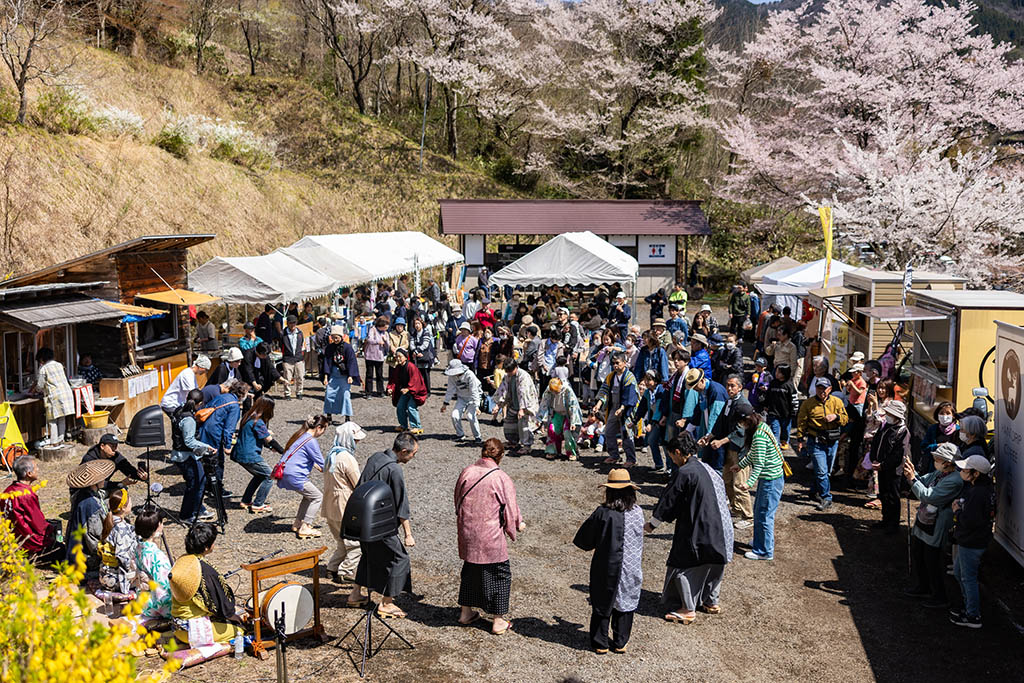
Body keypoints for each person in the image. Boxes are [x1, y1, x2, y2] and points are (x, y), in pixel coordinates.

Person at [645, 433, 730, 624]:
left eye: (672, 456)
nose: (673, 461)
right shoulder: (707, 468)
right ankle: (710, 601)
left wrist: (652, 524)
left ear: (678, 452)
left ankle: (688, 608)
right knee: (715, 563)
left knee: (684, 564)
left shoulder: (684, 472)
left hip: (699, 527)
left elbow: (670, 500)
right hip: (722, 526)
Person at [455, 438, 525, 635]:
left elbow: (457, 500)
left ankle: (466, 612)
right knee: (500, 574)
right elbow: (510, 509)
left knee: (470, 570)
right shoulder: (501, 477)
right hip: (490, 534)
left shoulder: (467, 471)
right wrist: (514, 527)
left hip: (468, 529)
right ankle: (498, 620)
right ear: (500, 455)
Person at [348, 432, 419, 619]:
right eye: (413, 454)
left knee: (370, 555)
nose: (413, 457)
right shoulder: (395, 470)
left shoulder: (376, 457)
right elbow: (401, 503)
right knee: (400, 558)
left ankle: (355, 594)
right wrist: (408, 534)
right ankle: (387, 603)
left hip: (361, 520)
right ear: (403, 451)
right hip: (379, 523)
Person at [573, 468, 643, 654]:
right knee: (625, 602)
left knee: (603, 601)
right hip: (632, 565)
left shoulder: (603, 512)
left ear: (609, 491)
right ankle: (620, 641)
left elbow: (584, 540)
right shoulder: (638, 512)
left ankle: (600, 642)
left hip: (607, 566)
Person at [903, 442, 964, 609]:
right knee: (918, 553)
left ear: (947, 462)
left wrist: (912, 479)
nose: (935, 461)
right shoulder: (940, 473)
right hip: (925, 518)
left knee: (932, 560)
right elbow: (922, 480)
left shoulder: (955, 480)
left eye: (938, 459)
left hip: (937, 523)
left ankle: (939, 595)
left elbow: (928, 495)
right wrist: (912, 473)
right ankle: (922, 586)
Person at [170, 523, 243, 645]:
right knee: (240, 630)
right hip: (192, 631)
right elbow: (221, 604)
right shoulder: (205, 570)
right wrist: (233, 616)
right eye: (213, 542)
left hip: (176, 627)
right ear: (206, 547)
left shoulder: (182, 560)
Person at [950, 454, 996, 629]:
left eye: (965, 469)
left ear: (975, 473)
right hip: (976, 539)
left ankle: (973, 615)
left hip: (971, 541)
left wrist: (957, 511)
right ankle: (969, 605)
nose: (962, 471)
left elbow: (970, 520)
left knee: (967, 577)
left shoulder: (978, 492)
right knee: (958, 572)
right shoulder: (985, 489)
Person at [701, 374, 753, 527]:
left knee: (740, 484)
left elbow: (740, 431)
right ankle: (736, 508)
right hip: (730, 450)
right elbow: (720, 423)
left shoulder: (743, 405)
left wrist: (721, 441)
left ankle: (748, 516)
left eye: (733, 386)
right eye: (728, 385)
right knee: (727, 481)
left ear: (740, 388)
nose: (729, 388)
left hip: (741, 451)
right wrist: (709, 437)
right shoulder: (729, 402)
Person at [735, 408, 786, 560]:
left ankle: (764, 551)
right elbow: (754, 454)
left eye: (741, 423)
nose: (740, 426)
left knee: (764, 516)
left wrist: (748, 483)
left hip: (771, 480)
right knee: (759, 512)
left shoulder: (758, 436)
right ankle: (760, 542)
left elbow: (759, 463)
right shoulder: (763, 426)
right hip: (770, 478)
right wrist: (741, 465)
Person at [323, 422, 366, 583]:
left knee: (341, 540)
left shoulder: (331, 455)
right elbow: (358, 483)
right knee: (356, 543)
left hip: (329, 504)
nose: (357, 442)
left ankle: (332, 567)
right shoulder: (347, 458)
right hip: (344, 505)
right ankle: (345, 570)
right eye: (355, 440)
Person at [797, 377, 849, 511]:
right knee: (822, 471)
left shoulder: (837, 402)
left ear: (830, 389)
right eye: (819, 388)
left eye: (824, 388)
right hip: (815, 441)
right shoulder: (808, 404)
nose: (822, 391)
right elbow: (801, 422)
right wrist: (800, 438)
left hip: (832, 441)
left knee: (826, 471)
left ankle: (814, 490)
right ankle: (826, 497)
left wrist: (835, 417)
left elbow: (845, 419)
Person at [275, 414, 329, 539]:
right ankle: (306, 526)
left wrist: (316, 465)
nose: (323, 433)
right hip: (295, 475)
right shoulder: (311, 441)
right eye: (324, 429)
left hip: (286, 472)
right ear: (319, 427)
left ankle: (298, 523)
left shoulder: (301, 436)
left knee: (308, 495)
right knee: (317, 497)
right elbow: (324, 464)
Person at [2, 456, 63, 565]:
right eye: (36, 468)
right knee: (62, 550)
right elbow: (38, 524)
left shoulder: (8, 491)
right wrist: (51, 530)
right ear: (28, 474)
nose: (38, 470)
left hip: (13, 539)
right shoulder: (26, 495)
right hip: (30, 543)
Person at [169, 390, 216, 523]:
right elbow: (189, 441)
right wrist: (206, 446)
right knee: (195, 484)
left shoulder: (179, 410)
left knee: (199, 481)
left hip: (183, 455)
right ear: (199, 404)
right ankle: (186, 515)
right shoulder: (189, 419)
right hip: (185, 457)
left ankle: (198, 509)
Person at [234, 396, 286, 515]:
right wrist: (283, 452)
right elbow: (269, 440)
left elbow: (257, 437)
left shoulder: (248, 416)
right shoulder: (258, 421)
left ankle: (246, 501)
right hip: (249, 455)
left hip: (240, 453)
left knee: (259, 475)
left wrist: (269, 447)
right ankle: (258, 504)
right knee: (269, 476)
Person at [65, 459, 115, 579]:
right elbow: (94, 538)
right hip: (84, 559)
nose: (105, 480)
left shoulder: (81, 495)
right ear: (95, 483)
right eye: (102, 478)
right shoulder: (90, 504)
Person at [869, 399, 911, 533]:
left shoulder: (903, 432)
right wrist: (874, 459)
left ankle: (893, 525)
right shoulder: (885, 426)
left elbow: (898, 455)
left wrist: (883, 465)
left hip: (893, 471)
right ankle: (885, 520)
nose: (887, 416)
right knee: (884, 495)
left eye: (890, 414)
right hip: (881, 467)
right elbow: (876, 442)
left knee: (893, 497)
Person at [593, 351, 640, 468]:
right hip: (613, 407)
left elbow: (630, 396)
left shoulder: (630, 378)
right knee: (608, 431)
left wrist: (623, 408)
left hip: (626, 409)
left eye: (617, 363)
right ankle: (614, 455)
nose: (615, 365)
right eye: (613, 363)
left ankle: (631, 459)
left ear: (624, 363)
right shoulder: (610, 376)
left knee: (626, 434)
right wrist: (598, 405)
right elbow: (604, 391)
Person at [198, 380, 246, 489]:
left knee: (205, 459)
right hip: (214, 433)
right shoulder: (234, 406)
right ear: (242, 394)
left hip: (204, 428)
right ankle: (216, 488)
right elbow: (229, 428)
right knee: (217, 461)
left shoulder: (222, 397)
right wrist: (228, 446)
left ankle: (205, 485)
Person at [493, 358, 539, 456]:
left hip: (525, 406)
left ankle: (526, 446)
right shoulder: (507, 376)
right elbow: (503, 390)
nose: (509, 373)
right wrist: (498, 405)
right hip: (513, 402)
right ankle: (513, 442)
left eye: (510, 371)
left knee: (524, 426)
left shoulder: (524, 376)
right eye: (507, 371)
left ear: (516, 367)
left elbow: (524, 393)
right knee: (509, 423)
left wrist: (522, 409)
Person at [98, 488, 139, 599]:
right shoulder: (121, 528)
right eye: (129, 501)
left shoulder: (109, 521)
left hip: (104, 576)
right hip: (115, 580)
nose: (131, 502)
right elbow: (124, 558)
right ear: (123, 508)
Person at [686, 368, 727, 471]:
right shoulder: (703, 391)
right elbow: (698, 410)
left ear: (702, 381)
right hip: (707, 431)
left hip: (717, 434)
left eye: (695, 387)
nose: (695, 389)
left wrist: (708, 437)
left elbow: (715, 417)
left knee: (717, 466)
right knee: (706, 463)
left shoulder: (716, 392)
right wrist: (688, 430)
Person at [134, 507, 172, 620]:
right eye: (161, 523)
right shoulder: (157, 556)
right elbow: (163, 587)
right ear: (156, 527)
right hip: (156, 606)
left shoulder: (138, 547)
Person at [32, 347, 75, 445]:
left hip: (54, 395)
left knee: (52, 419)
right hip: (66, 393)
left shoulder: (44, 368)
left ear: (42, 359)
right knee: (62, 417)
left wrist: (36, 391)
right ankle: (61, 439)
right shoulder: (59, 364)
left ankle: (54, 441)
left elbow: (40, 385)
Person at [537, 377, 584, 462]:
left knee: (567, 432)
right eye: (553, 391)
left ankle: (572, 452)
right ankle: (552, 451)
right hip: (556, 413)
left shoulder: (567, 390)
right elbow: (544, 404)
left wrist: (573, 422)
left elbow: (573, 406)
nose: (554, 393)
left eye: (556, 391)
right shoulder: (549, 390)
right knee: (552, 430)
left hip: (568, 414)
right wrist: (540, 420)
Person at [79, 433, 146, 491]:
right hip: (87, 491)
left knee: (122, 491)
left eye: (116, 446)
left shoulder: (115, 456)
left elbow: (129, 471)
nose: (114, 449)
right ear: (102, 446)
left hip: (104, 486)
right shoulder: (89, 459)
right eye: (112, 446)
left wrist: (141, 476)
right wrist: (121, 483)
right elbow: (94, 484)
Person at [322, 326, 361, 423]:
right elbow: (326, 362)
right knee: (329, 394)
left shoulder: (347, 347)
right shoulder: (329, 348)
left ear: (341, 336)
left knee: (345, 395)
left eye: (337, 337)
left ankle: (347, 417)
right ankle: (329, 415)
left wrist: (351, 376)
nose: (335, 339)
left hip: (344, 374)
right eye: (333, 337)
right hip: (333, 374)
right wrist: (326, 376)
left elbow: (352, 362)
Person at [442, 359, 483, 443]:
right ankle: (460, 435)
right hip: (462, 398)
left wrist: (477, 406)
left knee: (471, 416)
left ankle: (477, 436)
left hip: (473, 398)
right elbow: (450, 390)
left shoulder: (469, 375)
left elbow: (474, 391)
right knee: (455, 415)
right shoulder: (452, 377)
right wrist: (445, 403)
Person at [387, 348, 428, 434]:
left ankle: (417, 426)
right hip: (405, 391)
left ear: (405, 357)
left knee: (411, 407)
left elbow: (416, 380)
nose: (398, 359)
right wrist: (391, 388)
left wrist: (409, 389)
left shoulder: (411, 367)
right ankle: (403, 425)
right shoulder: (398, 368)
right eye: (397, 357)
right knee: (400, 406)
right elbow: (394, 380)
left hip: (415, 391)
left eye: (400, 357)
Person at [919, 402, 961, 473]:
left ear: (953, 415)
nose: (944, 416)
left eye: (948, 413)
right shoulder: (933, 429)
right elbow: (924, 446)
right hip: (933, 468)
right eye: (941, 413)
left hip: (951, 469)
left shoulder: (958, 430)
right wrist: (937, 446)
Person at [763, 364, 796, 449]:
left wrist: (794, 411)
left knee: (785, 429)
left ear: (784, 373)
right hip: (773, 411)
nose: (776, 373)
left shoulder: (789, 385)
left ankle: (784, 441)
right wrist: (766, 405)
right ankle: (775, 445)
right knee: (775, 429)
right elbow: (768, 395)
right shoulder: (773, 383)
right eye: (776, 371)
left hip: (786, 413)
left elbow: (794, 399)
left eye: (779, 372)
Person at [363, 317, 390, 397]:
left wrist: (385, 341)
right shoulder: (373, 329)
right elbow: (369, 339)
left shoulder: (385, 333)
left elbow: (388, 346)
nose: (387, 327)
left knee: (379, 374)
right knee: (369, 374)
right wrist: (378, 342)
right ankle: (368, 392)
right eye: (386, 325)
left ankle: (380, 391)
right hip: (370, 355)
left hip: (380, 356)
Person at [281, 315, 306, 399]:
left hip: (299, 357)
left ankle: (299, 392)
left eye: (294, 323)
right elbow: (281, 345)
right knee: (287, 377)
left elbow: (302, 343)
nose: (292, 325)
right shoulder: (283, 334)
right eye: (291, 323)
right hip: (288, 358)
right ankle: (287, 393)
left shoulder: (300, 333)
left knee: (300, 376)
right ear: (287, 323)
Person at [411, 317, 436, 395]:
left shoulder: (426, 332)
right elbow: (411, 344)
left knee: (426, 374)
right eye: (415, 324)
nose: (417, 325)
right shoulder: (414, 333)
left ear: (422, 324)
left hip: (425, 355)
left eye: (418, 323)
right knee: (418, 374)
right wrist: (415, 351)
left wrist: (417, 351)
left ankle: (428, 391)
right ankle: (420, 390)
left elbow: (425, 344)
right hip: (417, 356)